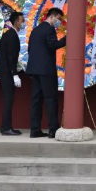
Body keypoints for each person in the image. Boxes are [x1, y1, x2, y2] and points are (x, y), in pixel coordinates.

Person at [26, 7, 66, 138]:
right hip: (46, 70)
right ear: (52, 17)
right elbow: (53, 45)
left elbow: (30, 48)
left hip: (34, 69)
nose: (59, 22)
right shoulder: (49, 29)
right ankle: (53, 129)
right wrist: (67, 38)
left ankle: (34, 129)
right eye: (59, 19)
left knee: (36, 100)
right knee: (50, 99)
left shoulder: (35, 30)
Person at [0, 11, 24, 136]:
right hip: (7, 71)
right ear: (16, 22)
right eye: (22, 21)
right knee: (8, 99)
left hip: (4, 69)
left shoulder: (9, 34)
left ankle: (5, 127)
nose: (24, 23)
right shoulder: (12, 35)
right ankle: (6, 127)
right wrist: (14, 74)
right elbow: (12, 57)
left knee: (9, 98)